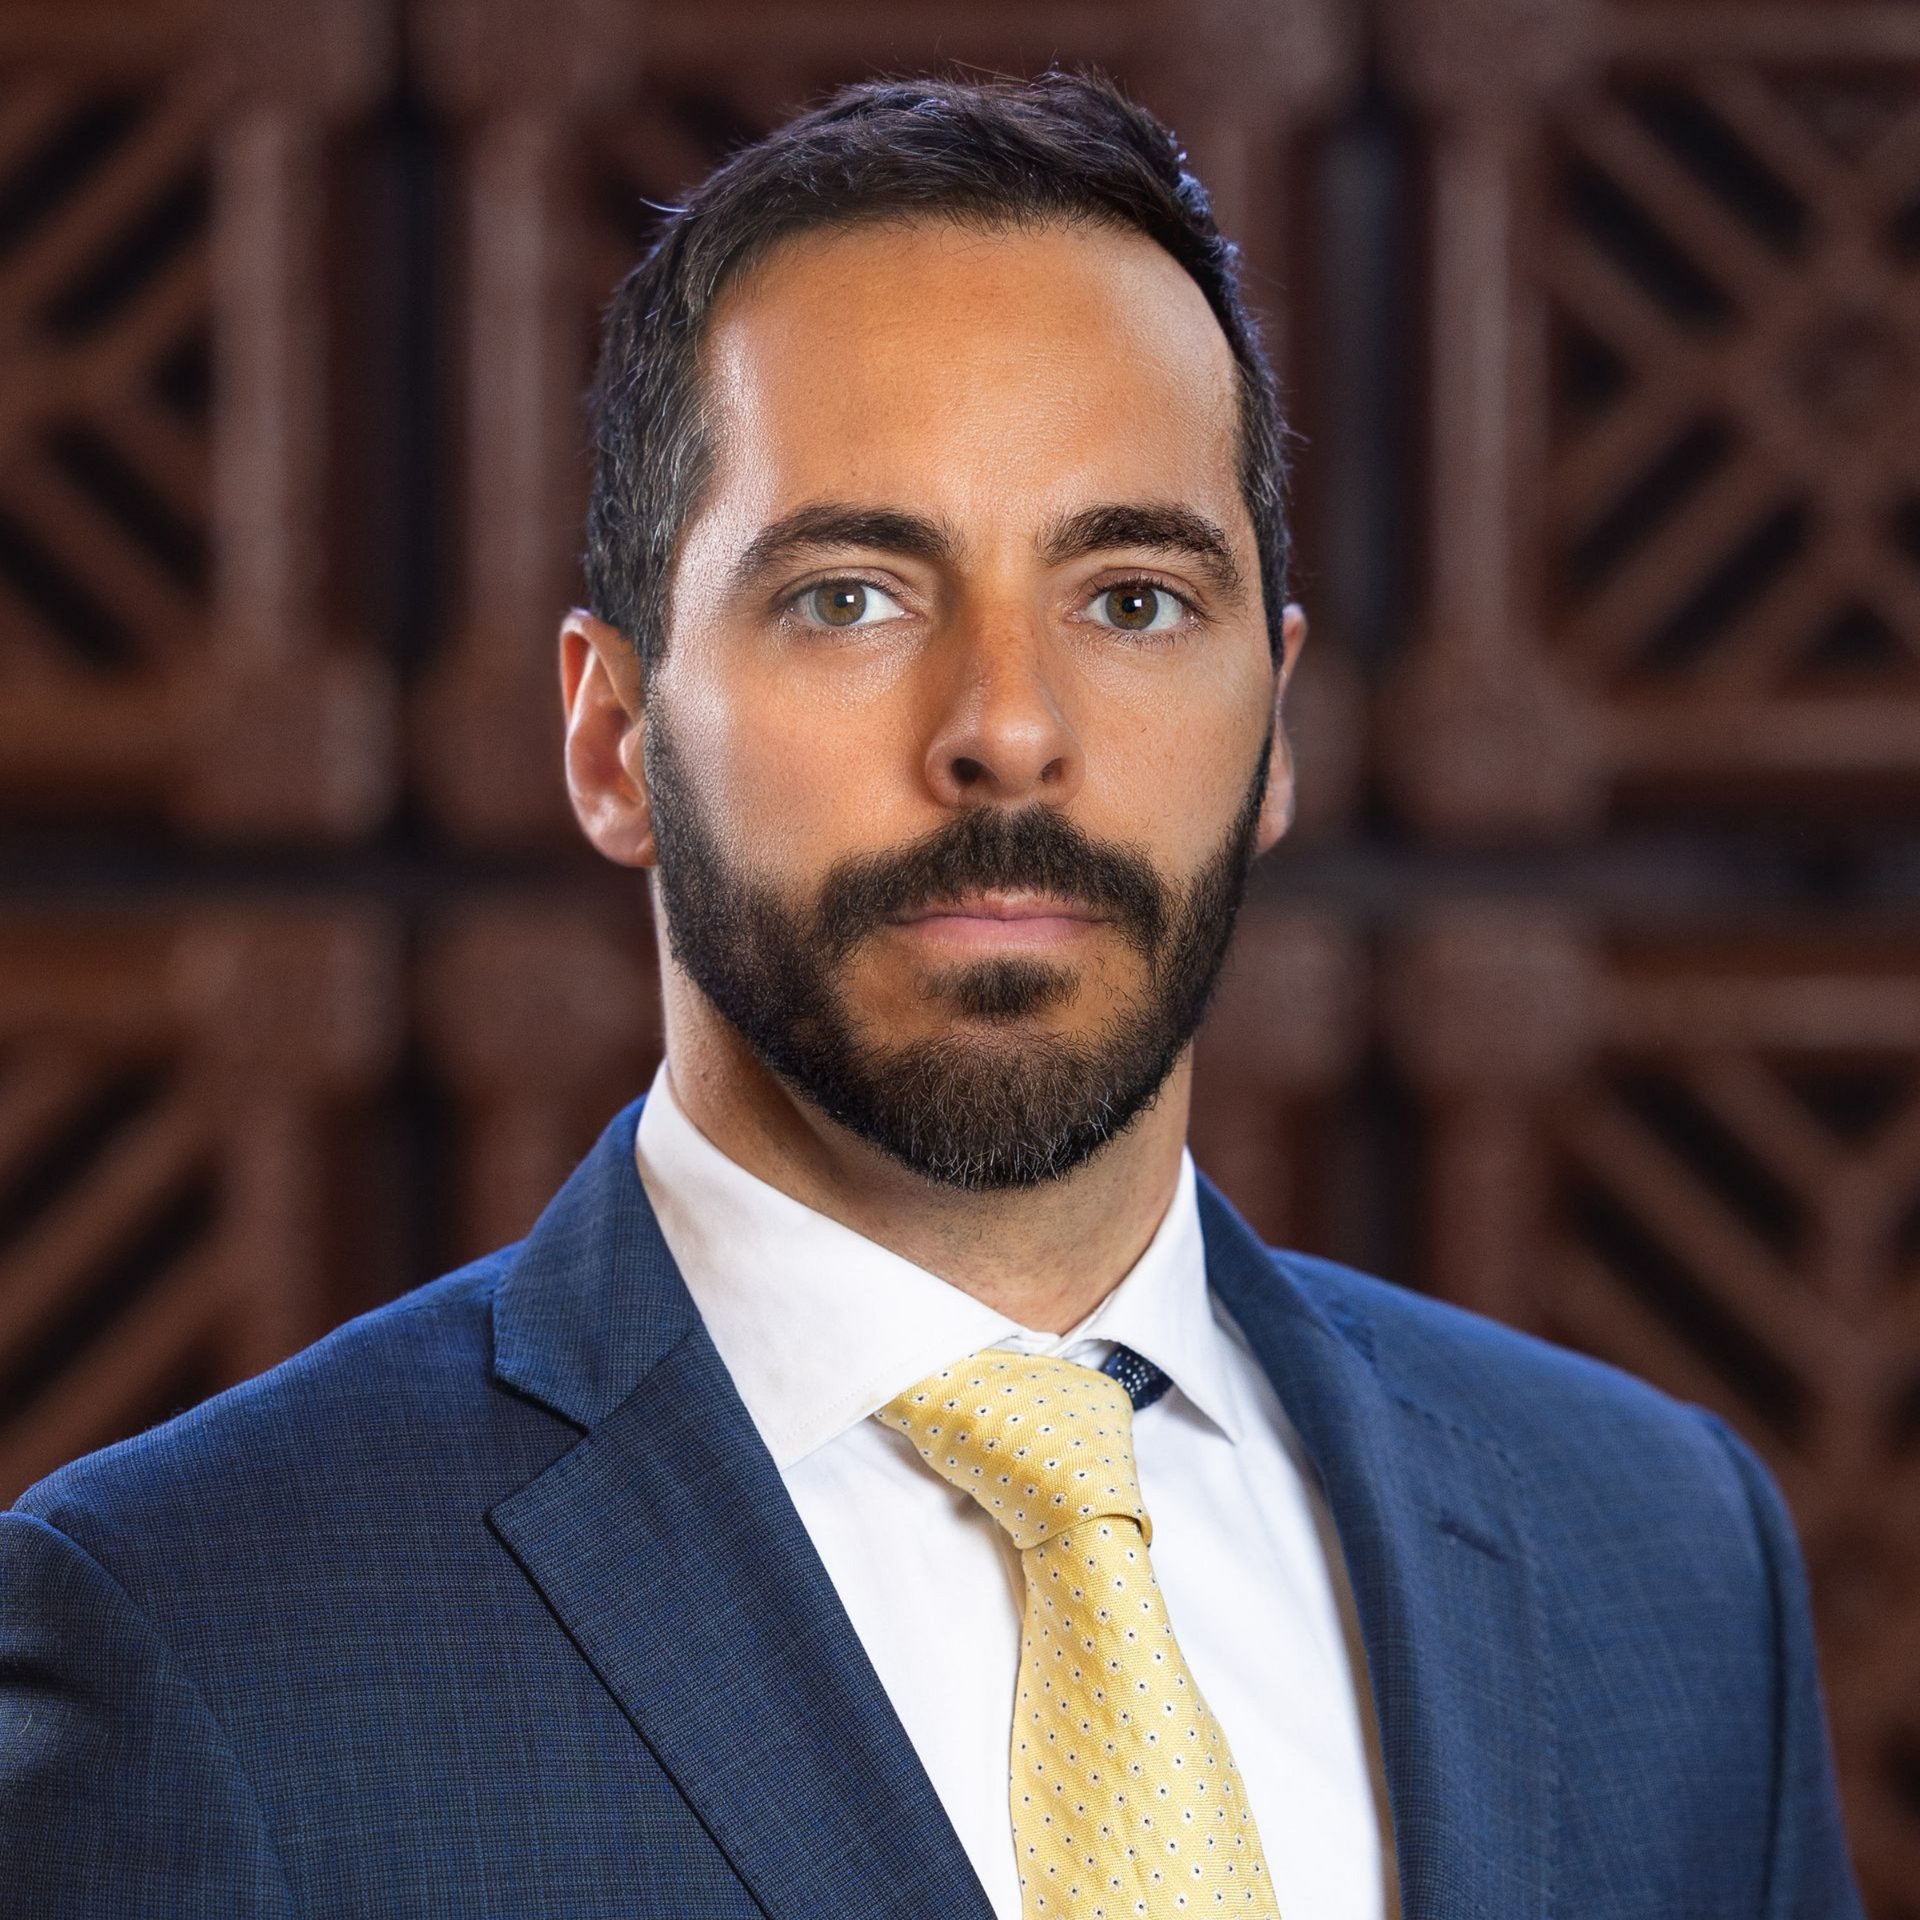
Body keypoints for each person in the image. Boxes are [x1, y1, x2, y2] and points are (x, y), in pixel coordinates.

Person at [0, 71, 1861, 1920]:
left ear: (1277, 730)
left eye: (1132, 598)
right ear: (613, 737)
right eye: (851, 597)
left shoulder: (1669, 1560)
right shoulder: (195, 1637)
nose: (1008, 732)